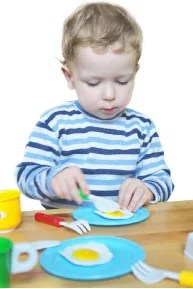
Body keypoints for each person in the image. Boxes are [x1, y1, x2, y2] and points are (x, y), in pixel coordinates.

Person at [15, 2, 174, 212]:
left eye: (122, 81)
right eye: (93, 83)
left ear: (135, 73)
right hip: (67, 228)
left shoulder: (141, 128)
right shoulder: (55, 123)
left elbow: (163, 180)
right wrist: (52, 180)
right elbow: (25, 176)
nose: (109, 95)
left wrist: (148, 188)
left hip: (124, 229)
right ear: (69, 77)